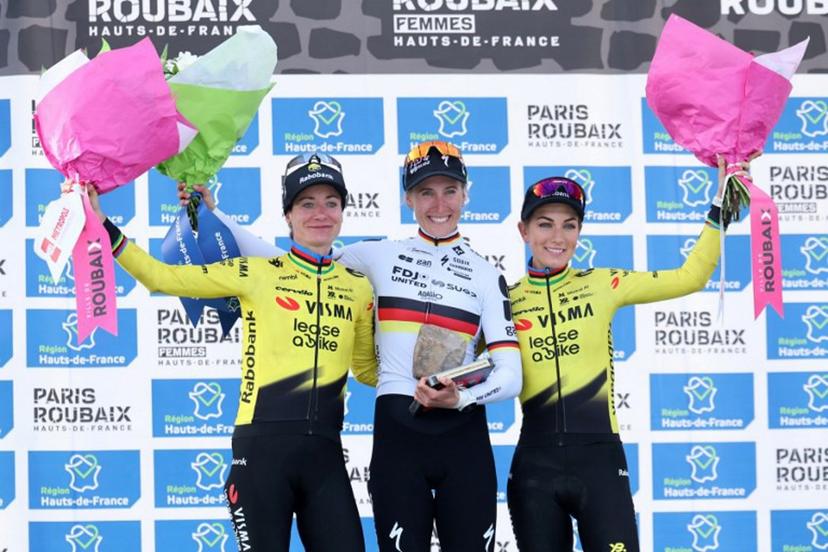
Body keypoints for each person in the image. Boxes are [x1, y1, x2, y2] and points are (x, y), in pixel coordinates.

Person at [189, 142, 523, 551]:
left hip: (463, 436)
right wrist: (213, 215)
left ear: (466, 194)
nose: (439, 204)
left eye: (449, 191)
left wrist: (461, 398)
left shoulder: (488, 276)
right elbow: (287, 264)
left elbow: (511, 375)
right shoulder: (376, 256)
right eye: (425, 192)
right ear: (408, 198)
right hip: (399, 434)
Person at [88, 153, 376, 552]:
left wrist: (438, 376)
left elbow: (366, 368)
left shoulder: (358, 286)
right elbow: (162, 275)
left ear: (343, 211)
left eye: (331, 202)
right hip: (260, 455)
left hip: (326, 457)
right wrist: (103, 222)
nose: (320, 213)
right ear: (288, 215)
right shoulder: (257, 272)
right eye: (306, 203)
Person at [506, 155, 753, 551]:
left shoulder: (604, 283)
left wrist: (720, 210)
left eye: (569, 225)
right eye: (544, 224)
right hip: (535, 467)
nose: (558, 237)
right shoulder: (506, 299)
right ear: (524, 230)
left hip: (599, 462)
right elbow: (466, 366)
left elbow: (690, 278)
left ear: (580, 231)